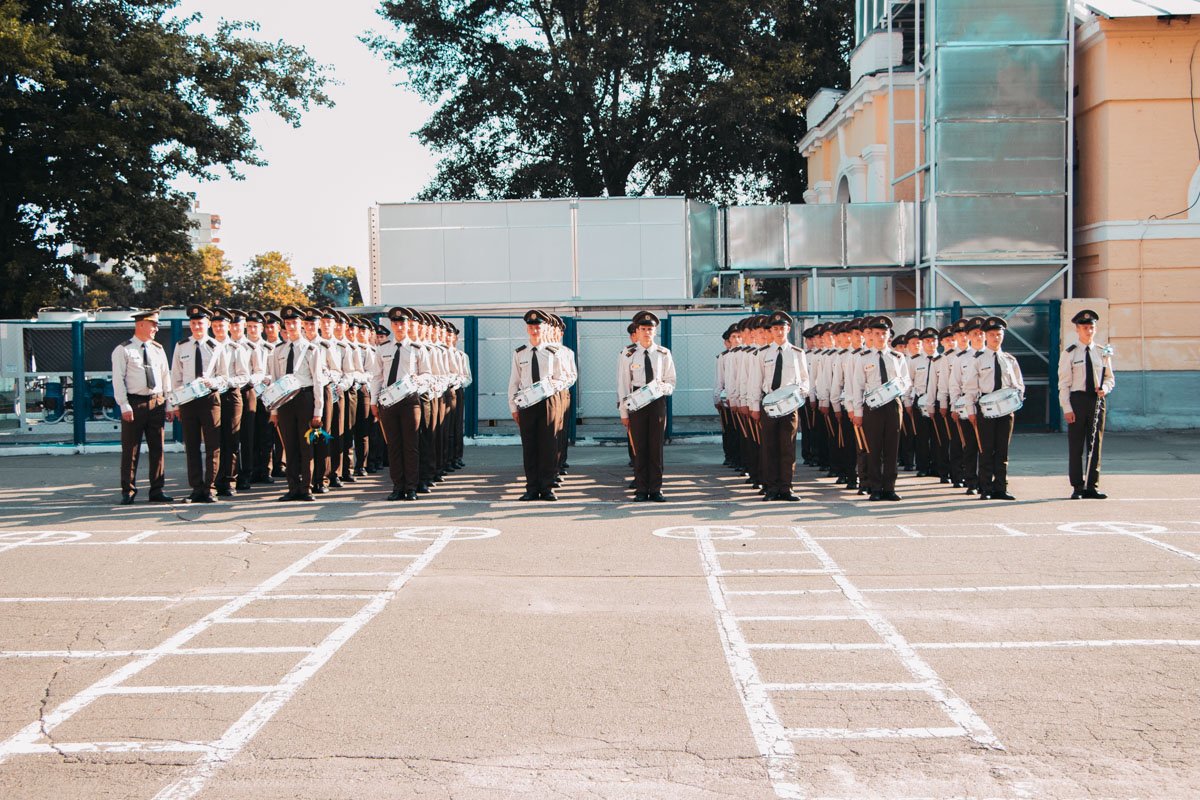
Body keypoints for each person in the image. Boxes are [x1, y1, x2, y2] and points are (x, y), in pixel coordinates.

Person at [745, 310, 810, 501]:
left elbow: (805, 380)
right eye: (775, 329)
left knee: (788, 447)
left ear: (788, 329)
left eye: (782, 328)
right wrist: (754, 406)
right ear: (771, 331)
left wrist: (800, 393)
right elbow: (755, 381)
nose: (779, 332)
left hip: (790, 406)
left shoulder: (797, 353)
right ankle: (772, 488)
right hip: (769, 405)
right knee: (769, 447)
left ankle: (786, 487)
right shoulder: (762, 353)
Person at [112, 308, 174, 504]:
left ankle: (157, 490)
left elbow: (166, 376)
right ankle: (128, 490)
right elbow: (118, 379)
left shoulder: (158, 349)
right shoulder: (124, 349)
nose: (156, 328)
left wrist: (169, 403)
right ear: (140, 324)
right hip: (135, 403)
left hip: (156, 402)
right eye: (153, 324)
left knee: (158, 448)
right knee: (131, 449)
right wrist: (124, 405)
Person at [509, 309, 569, 501]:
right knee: (530, 447)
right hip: (527, 404)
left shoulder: (553, 352)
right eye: (531, 327)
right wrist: (513, 407)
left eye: (537, 327)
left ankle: (547, 487)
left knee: (548, 445)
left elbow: (563, 378)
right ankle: (532, 488)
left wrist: (551, 386)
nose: (534, 330)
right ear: (527, 329)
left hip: (548, 402)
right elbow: (514, 381)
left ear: (543, 329)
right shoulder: (520, 353)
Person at [849, 316, 911, 501]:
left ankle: (889, 488)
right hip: (873, 407)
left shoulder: (898, 357)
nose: (881, 337)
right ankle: (875, 488)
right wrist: (858, 412)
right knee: (873, 448)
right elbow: (857, 386)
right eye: (877, 333)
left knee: (892, 448)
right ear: (871, 336)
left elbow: (906, 381)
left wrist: (896, 388)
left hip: (893, 405)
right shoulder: (863, 358)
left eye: (884, 333)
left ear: (889, 335)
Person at [370, 307, 429, 501]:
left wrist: (417, 380)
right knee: (394, 446)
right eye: (395, 323)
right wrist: (373, 401)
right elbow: (377, 377)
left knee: (411, 445)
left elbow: (427, 374)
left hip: (410, 401)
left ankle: (411, 487)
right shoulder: (383, 348)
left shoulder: (417, 348)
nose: (399, 326)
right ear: (391, 325)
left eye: (402, 323)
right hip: (388, 402)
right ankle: (397, 487)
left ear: (407, 324)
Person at [267, 305, 325, 501]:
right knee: (289, 446)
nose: (291, 326)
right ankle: (293, 487)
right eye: (288, 322)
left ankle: (306, 487)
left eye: (294, 322)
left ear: (301, 324)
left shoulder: (311, 349)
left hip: (304, 398)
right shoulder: (278, 350)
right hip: (285, 401)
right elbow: (275, 380)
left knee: (306, 445)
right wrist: (274, 411)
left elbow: (318, 381)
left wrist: (318, 411)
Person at [618, 311, 677, 502]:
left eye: (650, 329)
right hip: (636, 402)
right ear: (636, 331)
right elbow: (623, 384)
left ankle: (656, 488)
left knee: (656, 447)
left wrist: (661, 388)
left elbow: (671, 381)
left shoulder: (663, 353)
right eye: (643, 329)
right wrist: (624, 412)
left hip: (657, 401)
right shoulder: (628, 354)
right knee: (640, 447)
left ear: (655, 331)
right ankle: (642, 489)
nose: (646, 332)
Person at [963, 316, 1024, 500]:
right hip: (986, 409)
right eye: (991, 335)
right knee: (986, 449)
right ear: (985, 336)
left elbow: (1019, 384)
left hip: (1006, 409)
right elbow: (970, 388)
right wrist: (971, 411)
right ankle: (986, 488)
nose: (996, 338)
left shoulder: (1010, 360)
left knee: (1002, 450)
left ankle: (1001, 488)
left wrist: (1016, 398)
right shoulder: (978, 360)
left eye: (998, 334)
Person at [170, 304, 224, 503]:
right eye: (193, 323)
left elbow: (224, 376)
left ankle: (210, 488)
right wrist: (176, 405)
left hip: (209, 399)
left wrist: (214, 382)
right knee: (191, 446)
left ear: (208, 324)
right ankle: (196, 488)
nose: (196, 326)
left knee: (212, 445)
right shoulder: (181, 346)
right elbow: (175, 377)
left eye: (200, 323)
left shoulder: (217, 346)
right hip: (188, 401)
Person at [1059, 308, 1115, 499]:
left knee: (1095, 444)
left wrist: (1105, 388)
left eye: (1091, 327)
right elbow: (1064, 383)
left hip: (1096, 400)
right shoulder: (1070, 353)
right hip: (1078, 400)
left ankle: (1092, 485)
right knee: (1076, 446)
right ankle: (1077, 486)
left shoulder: (1102, 352)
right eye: (1084, 328)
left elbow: (1110, 378)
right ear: (1077, 329)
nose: (1088, 331)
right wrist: (1067, 408)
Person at [209, 307, 245, 497]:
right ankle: (214, 479)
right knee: (214, 440)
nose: (218, 329)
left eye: (221, 325)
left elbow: (244, 375)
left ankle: (230, 480)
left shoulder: (236, 348)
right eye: (215, 325)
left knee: (231, 439)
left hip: (230, 395)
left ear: (228, 327)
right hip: (211, 396)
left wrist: (226, 382)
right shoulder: (207, 346)